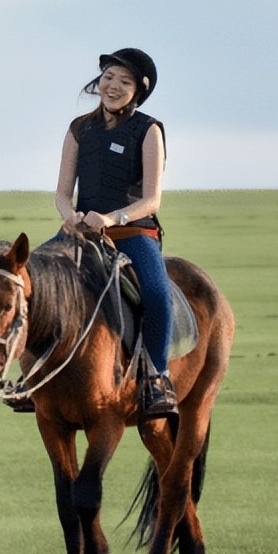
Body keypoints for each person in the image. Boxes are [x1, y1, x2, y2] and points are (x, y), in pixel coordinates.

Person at [54, 47, 176, 418]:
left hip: (132, 233)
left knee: (157, 295)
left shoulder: (149, 129)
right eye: (108, 77)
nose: (112, 86)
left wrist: (112, 219)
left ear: (137, 91)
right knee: (32, 279)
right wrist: (70, 215)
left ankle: (157, 378)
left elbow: (152, 200)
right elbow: (61, 192)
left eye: (124, 81)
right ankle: (34, 376)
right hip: (83, 234)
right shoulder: (79, 129)